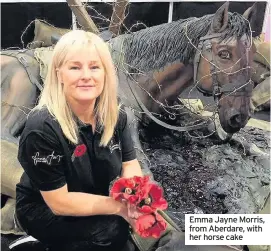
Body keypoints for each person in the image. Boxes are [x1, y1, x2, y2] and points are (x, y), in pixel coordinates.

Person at [14, 30, 144, 251]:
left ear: (106, 73)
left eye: (95, 67)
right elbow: (59, 202)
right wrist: (120, 208)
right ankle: (39, 244)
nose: (86, 75)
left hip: (90, 198)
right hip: (45, 209)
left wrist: (135, 197)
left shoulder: (116, 115)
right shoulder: (42, 128)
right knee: (113, 230)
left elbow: (130, 164)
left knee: (132, 227)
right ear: (59, 74)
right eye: (75, 67)